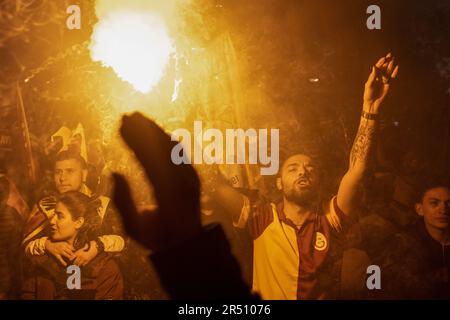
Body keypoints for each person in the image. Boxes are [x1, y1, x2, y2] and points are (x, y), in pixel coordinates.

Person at [202, 53, 399, 299]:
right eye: (292, 168)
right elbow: (212, 182)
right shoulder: (261, 217)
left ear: (318, 181)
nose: (303, 171)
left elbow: (357, 168)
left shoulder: (329, 219)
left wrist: (369, 109)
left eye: (310, 168)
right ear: (279, 182)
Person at [22, 150, 125, 267]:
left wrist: (97, 246)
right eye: (58, 172)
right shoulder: (45, 206)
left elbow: (122, 241)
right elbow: (25, 247)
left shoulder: (103, 204)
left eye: (70, 171)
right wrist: (47, 245)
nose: (62, 178)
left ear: (84, 174)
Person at [22, 191, 123, 299]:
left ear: (78, 222)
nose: (51, 221)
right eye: (54, 214)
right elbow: (29, 293)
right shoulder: (43, 260)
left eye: (60, 216)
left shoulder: (105, 268)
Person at [379, 179, 450, 299]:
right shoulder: (403, 243)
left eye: (449, 203)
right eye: (434, 203)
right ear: (420, 209)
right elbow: (377, 284)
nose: (443, 210)